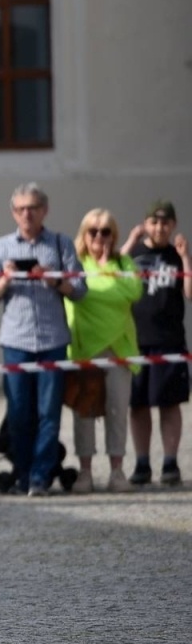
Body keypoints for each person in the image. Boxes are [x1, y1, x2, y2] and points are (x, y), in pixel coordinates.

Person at [0, 183, 86, 497]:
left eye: (33, 208)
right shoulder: (1, 246)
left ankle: (41, 477)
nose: (27, 214)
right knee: (19, 412)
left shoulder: (60, 243)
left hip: (53, 340)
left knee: (49, 413)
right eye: (21, 208)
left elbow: (80, 290)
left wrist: (53, 279)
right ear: (14, 212)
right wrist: (6, 279)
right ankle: (23, 475)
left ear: (44, 210)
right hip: (16, 341)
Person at [63, 208, 143, 493]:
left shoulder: (124, 262)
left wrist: (107, 274)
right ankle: (85, 473)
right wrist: (107, 292)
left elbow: (133, 293)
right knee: (83, 412)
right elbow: (79, 294)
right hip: (85, 348)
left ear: (114, 235)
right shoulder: (76, 262)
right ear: (84, 234)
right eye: (93, 231)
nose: (99, 236)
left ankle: (117, 471)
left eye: (105, 231)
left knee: (117, 410)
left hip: (118, 347)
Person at [123, 200, 190, 486]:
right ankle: (141, 463)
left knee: (169, 403)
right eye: (154, 222)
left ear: (173, 225)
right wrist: (129, 242)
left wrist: (186, 258)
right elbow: (111, 273)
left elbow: (189, 293)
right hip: (135, 340)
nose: (159, 227)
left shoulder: (177, 255)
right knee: (137, 404)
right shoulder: (134, 252)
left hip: (169, 340)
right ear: (145, 224)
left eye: (165, 222)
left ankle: (170, 462)